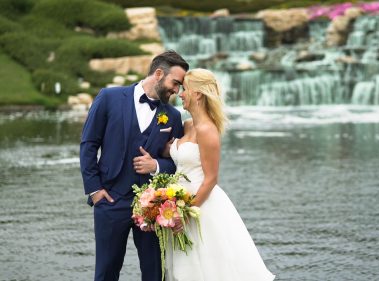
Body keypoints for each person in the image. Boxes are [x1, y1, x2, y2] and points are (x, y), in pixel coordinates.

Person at [79, 50, 189, 281]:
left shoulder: (173, 116)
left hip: (155, 207)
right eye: (175, 83)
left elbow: (177, 161)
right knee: (106, 272)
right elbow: (89, 144)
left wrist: (157, 165)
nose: (177, 91)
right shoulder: (109, 97)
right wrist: (95, 190)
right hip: (111, 200)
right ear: (158, 73)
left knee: (154, 273)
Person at [163, 68, 275, 281]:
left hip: (199, 206)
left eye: (185, 89)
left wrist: (186, 213)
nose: (181, 93)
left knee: (208, 268)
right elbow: (179, 157)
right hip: (178, 201)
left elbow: (211, 178)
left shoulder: (208, 130)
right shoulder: (187, 126)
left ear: (197, 93)